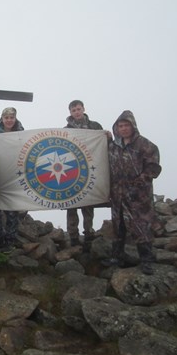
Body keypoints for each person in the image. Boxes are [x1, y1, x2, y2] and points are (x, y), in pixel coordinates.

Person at [103, 110, 162, 275]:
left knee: (141, 226)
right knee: (118, 225)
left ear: (133, 126)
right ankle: (117, 256)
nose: (123, 129)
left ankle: (147, 260)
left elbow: (153, 168)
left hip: (138, 196)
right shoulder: (113, 146)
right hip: (117, 194)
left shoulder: (145, 145)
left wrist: (139, 183)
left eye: (126, 125)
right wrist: (105, 137)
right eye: (120, 126)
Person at [63, 100, 103, 249]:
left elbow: (103, 145)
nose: (77, 112)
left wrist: (108, 136)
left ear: (83, 109)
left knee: (88, 205)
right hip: (71, 173)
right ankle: (73, 236)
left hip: (90, 172)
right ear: (70, 112)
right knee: (71, 205)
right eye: (73, 110)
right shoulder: (64, 130)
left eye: (78, 109)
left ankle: (89, 234)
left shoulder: (95, 126)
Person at [0, 107, 25, 252]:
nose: (9, 120)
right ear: (2, 119)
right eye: (6, 118)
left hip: (15, 178)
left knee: (12, 210)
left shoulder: (23, 135)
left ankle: (10, 239)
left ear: (15, 118)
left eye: (11, 117)